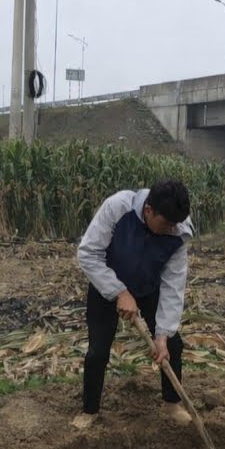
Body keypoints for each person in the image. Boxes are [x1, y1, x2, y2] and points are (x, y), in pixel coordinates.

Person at [74, 180, 195, 429]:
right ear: (148, 211)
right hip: (106, 284)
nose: (171, 229)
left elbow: (173, 284)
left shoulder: (179, 230)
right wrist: (119, 291)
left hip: (149, 287)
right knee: (98, 351)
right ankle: (90, 410)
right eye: (166, 224)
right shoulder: (117, 208)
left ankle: (172, 403)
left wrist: (162, 334)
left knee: (172, 344)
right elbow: (88, 253)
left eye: (175, 225)